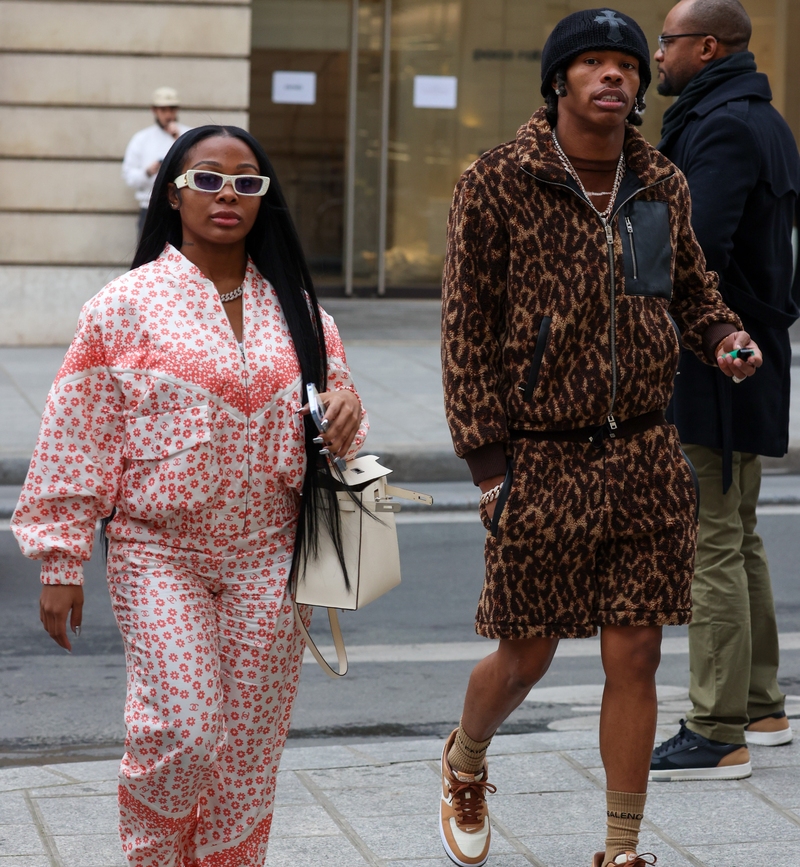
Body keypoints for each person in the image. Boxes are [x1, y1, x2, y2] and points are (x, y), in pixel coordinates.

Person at [439, 8, 762, 867]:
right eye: (593, 62)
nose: (614, 74)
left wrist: (725, 337)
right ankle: (467, 758)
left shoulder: (660, 181)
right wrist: (487, 463)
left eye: (626, 62)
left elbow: (691, 289)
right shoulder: (499, 180)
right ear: (560, 81)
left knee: (640, 650)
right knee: (525, 655)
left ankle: (620, 847)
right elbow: (466, 328)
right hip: (541, 455)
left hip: (646, 452)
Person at [13, 125, 367, 867]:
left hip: (270, 552)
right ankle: (152, 856)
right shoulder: (123, 306)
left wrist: (346, 410)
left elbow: (338, 417)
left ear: (265, 200)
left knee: (248, 745)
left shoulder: (304, 311)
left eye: (246, 181)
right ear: (172, 192)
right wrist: (59, 560)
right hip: (158, 551)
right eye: (207, 179)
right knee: (185, 727)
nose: (228, 194)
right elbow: (78, 432)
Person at [649, 0, 800, 782]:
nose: (657, 56)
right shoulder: (756, 117)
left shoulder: (724, 126)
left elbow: (690, 250)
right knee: (736, 534)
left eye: (666, 42)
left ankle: (715, 729)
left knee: (711, 537)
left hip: (718, 357)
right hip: (748, 351)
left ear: (706, 47)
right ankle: (763, 705)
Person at [122, 87, 190, 238]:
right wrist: (147, 172)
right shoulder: (142, 139)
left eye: (171, 109)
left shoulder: (188, 135)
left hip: (183, 208)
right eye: (163, 110)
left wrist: (178, 139)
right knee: (148, 257)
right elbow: (129, 176)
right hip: (150, 208)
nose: (168, 115)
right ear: (154, 110)